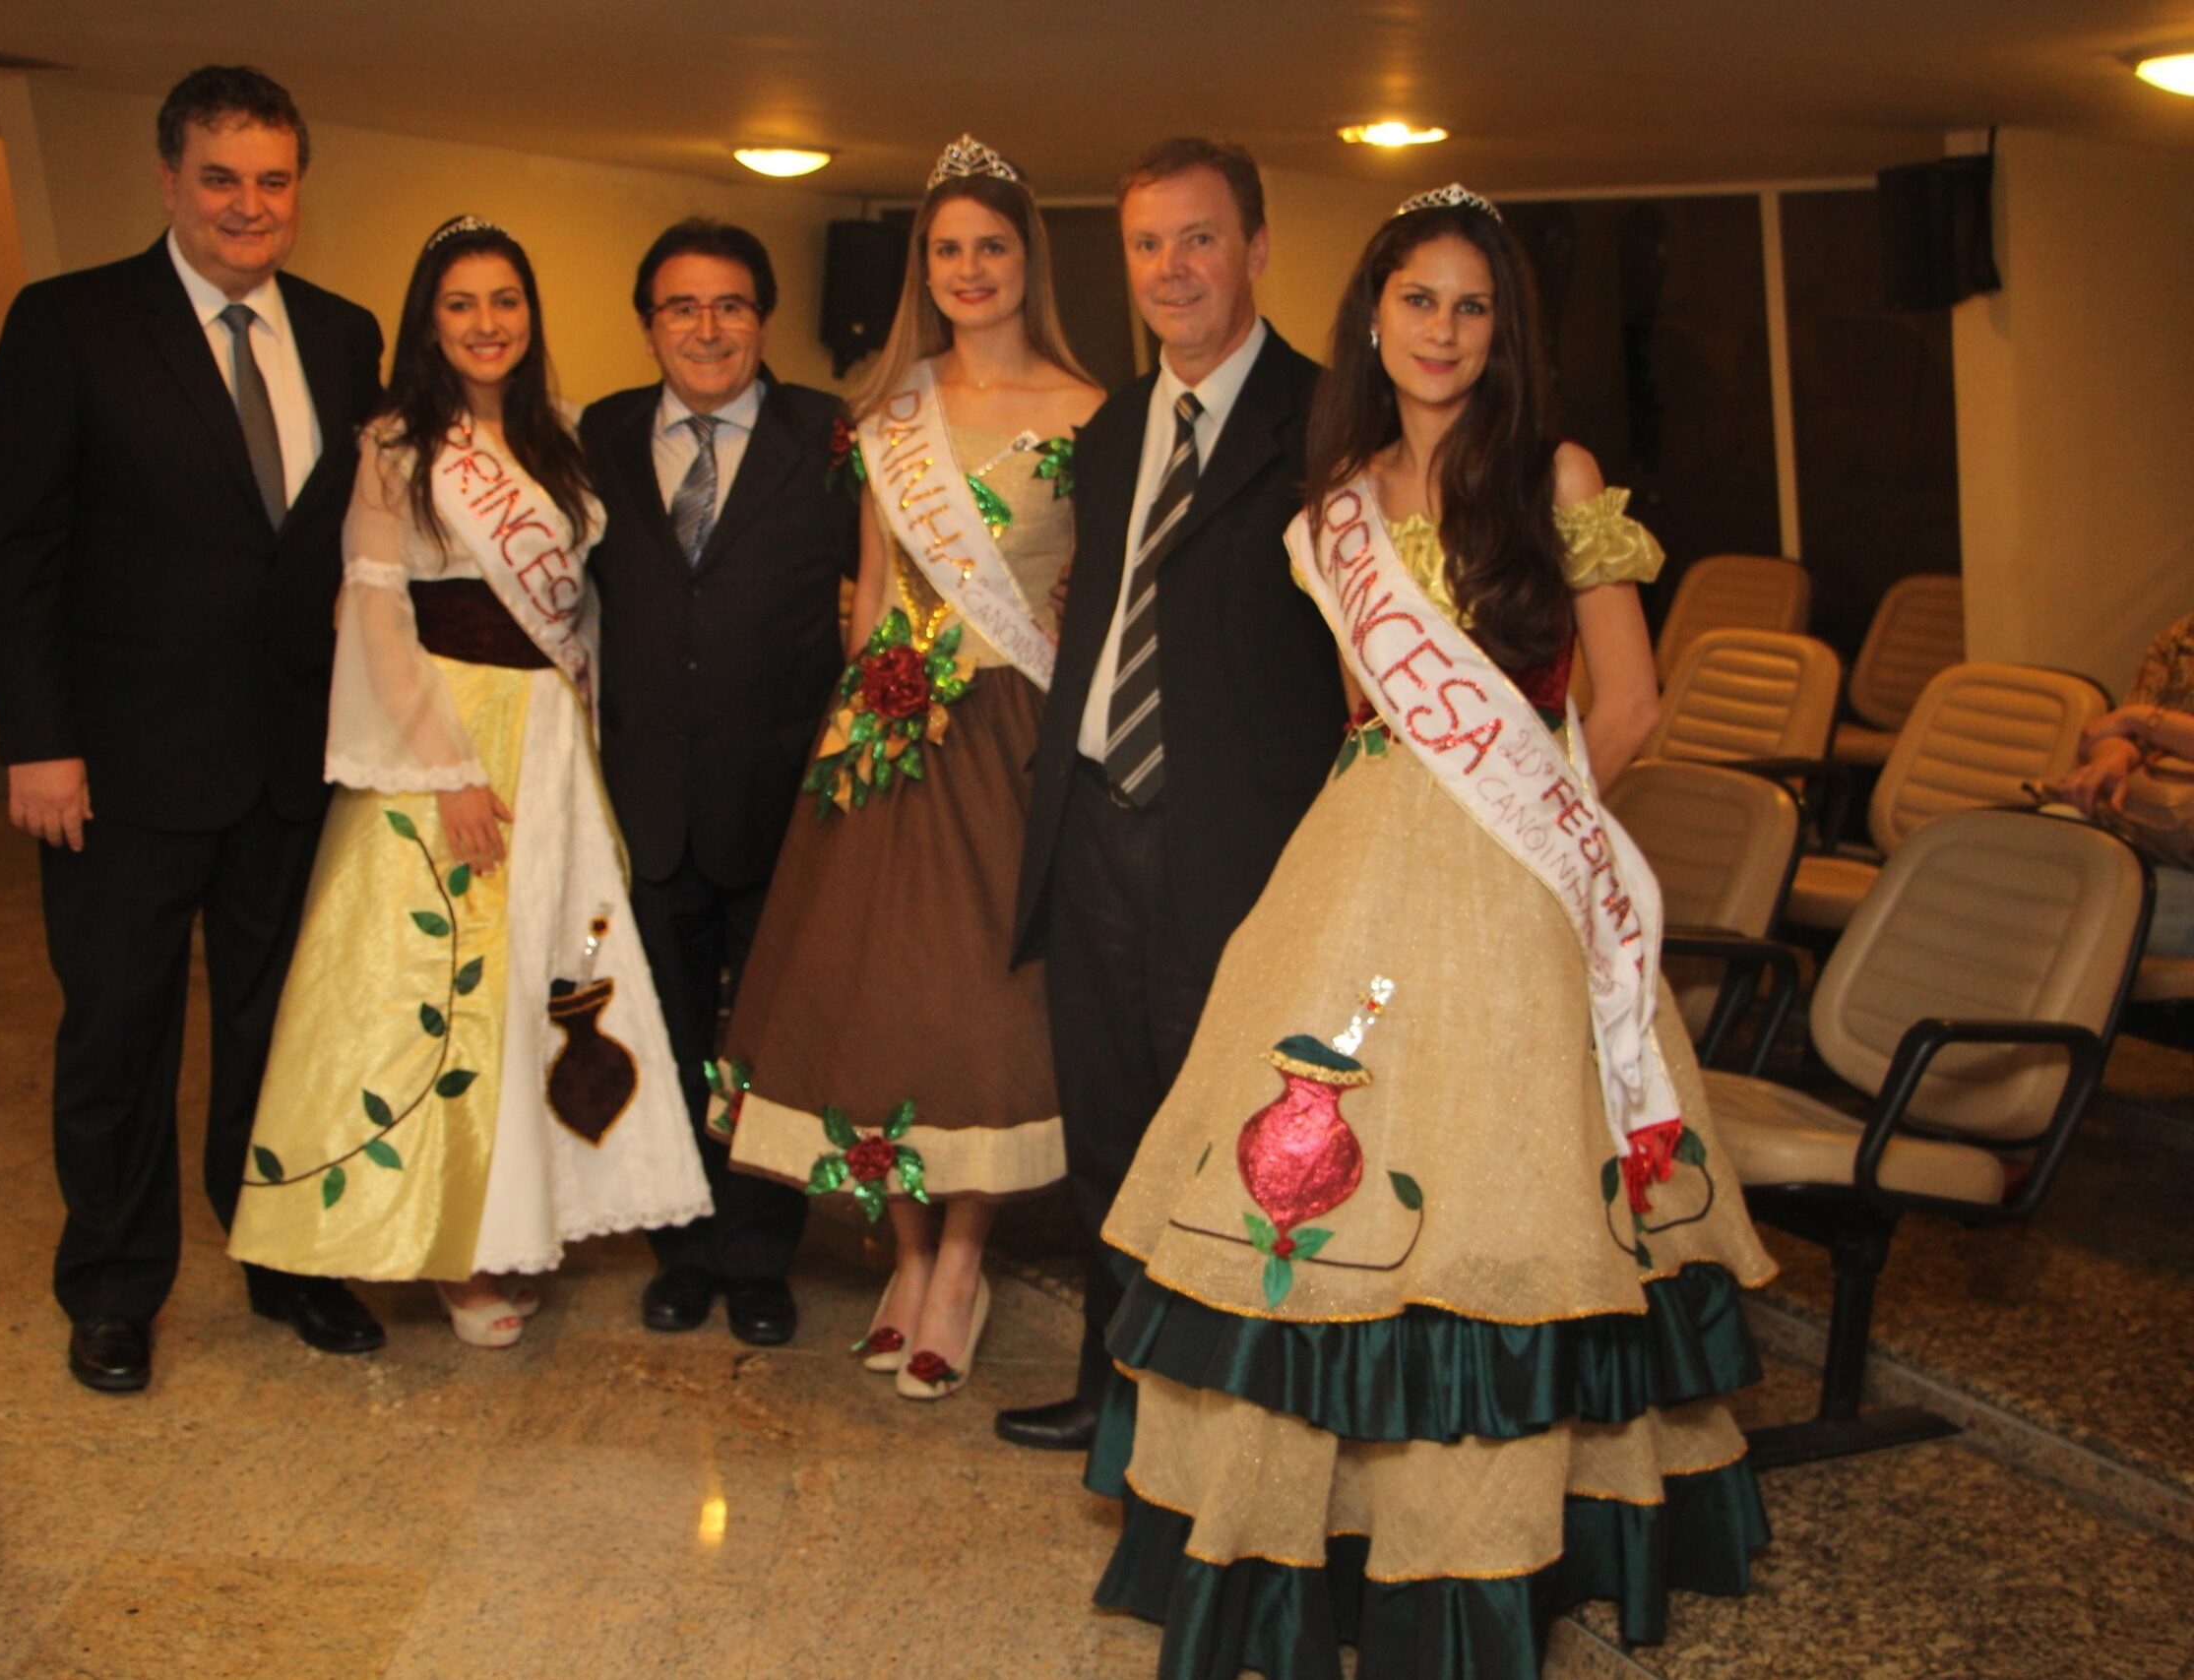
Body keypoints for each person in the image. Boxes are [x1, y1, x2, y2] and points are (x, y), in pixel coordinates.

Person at [1086, 184, 1777, 1680]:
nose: (1445, 331)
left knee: (1513, 1196)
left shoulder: (1558, 470)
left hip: (1515, 864)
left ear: (1502, 327)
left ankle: (1508, 1531)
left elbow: (1632, 698)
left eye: (1473, 305)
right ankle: (1309, 1524)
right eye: (1419, 301)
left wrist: (1539, 818)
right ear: (1375, 317)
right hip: (1353, 860)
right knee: (1319, 1176)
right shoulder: (1336, 495)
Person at [0, 66, 386, 1394]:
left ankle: (283, 1257)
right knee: (120, 1031)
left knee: (282, 1030)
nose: (246, 206)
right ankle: (111, 1285)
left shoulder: (341, 333)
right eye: (220, 177)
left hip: (287, 763)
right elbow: (18, 550)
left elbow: (348, 552)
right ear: (169, 181)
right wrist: (37, 740)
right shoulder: (68, 322)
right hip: (119, 767)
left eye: (272, 180)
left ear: (299, 191)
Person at [226, 218, 710, 1341]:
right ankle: (451, 1246)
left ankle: (514, 1220)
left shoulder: (563, 439)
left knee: (546, 981)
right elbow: (377, 608)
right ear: (427, 321)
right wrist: (443, 768)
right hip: (442, 735)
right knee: (436, 992)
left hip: (551, 735)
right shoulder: (397, 445)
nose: (486, 324)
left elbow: (580, 603)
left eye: (505, 301)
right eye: (460, 304)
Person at [711, 138, 1099, 1400]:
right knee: (876, 1008)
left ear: (1026, 261)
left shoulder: (1090, 412)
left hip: (1013, 735)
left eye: (991, 247)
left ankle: (960, 1265)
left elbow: (1084, 608)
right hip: (888, 737)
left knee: (982, 1011)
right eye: (947, 250)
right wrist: (850, 737)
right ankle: (908, 1247)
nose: (969, 269)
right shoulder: (889, 412)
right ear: (922, 269)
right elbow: (877, 593)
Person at [999, 138, 1345, 1450]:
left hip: (1239, 844)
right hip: (1093, 824)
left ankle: (1227, 1414)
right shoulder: (1116, 427)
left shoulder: (1325, 423)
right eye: (1148, 243)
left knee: (1230, 1138)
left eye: (1199, 239)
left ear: (1257, 249)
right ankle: (1117, 1389)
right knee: (1111, 1131)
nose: (1171, 269)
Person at [580, 221, 852, 1348]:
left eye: (731, 305)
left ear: (763, 318)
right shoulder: (595, 433)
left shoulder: (828, 436)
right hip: (644, 802)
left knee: (773, 1046)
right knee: (669, 1036)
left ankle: (759, 1256)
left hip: (786, 802)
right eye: (682, 307)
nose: (707, 327)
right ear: (648, 322)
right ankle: (682, 1249)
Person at [2061, 608, 2194, 955]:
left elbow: (2133, 718)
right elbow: (2115, 726)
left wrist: (2148, 722)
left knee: (2078, 911)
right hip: (2159, 831)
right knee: (2045, 849)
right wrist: (2113, 755)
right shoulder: (2181, 638)